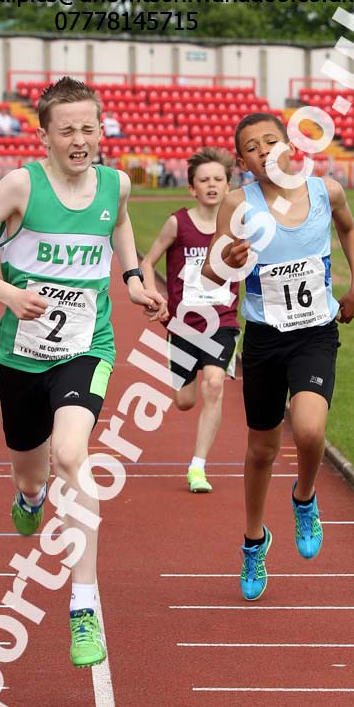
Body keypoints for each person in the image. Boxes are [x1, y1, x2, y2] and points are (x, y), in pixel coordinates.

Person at [0, 76, 166, 667]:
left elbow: (117, 223)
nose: (80, 139)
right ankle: (31, 496)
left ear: (101, 129)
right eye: (67, 130)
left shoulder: (115, 183)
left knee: (72, 455)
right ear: (44, 136)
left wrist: (135, 279)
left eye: (89, 127)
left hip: (87, 347)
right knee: (31, 471)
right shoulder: (21, 185)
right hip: (20, 352)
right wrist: (7, 296)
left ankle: (84, 606)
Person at [202, 112, 354, 600]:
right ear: (241, 161)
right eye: (252, 146)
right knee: (261, 450)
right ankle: (254, 540)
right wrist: (226, 262)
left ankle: (304, 495)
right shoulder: (237, 202)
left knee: (310, 428)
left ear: (290, 145)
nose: (264, 150)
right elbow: (212, 275)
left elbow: (350, 232)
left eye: (271, 140)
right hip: (266, 339)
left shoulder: (326, 191)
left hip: (315, 333)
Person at [141, 147, 239, 494]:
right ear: (192, 189)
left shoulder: (238, 226)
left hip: (222, 321)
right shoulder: (178, 223)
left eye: (218, 179)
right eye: (204, 180)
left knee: (214, 384)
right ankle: (191, 383)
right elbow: (147, 262)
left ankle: (197, 467)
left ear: (229, 186)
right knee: (185, 401)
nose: (211, 185)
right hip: (182, 325)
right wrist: (154, 295)